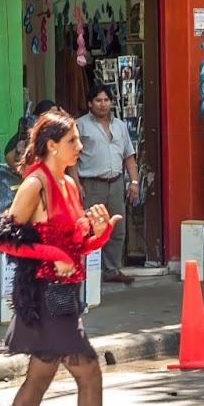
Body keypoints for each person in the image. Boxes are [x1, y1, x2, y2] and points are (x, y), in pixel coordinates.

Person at [0, 110, 132, 406]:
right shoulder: (35, 184)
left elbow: (76, 247)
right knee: (89, 372)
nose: (80, 147)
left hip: (66, 296)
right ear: (52, 145)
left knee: (38, 381)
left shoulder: (69, 184)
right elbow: (4, 240)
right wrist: (51, 252)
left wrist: (99, 235)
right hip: (44, 298)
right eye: (73, 142)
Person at [74, 84, 140, 284]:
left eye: (106, 100)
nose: (103, 104)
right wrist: (77, 184)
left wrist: (134, 182)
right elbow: (72, 159)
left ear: (111, 102)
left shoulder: (120, 125)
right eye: (98, 100)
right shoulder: (80, 125)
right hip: (92, 184)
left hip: (116, 183)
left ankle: (111, 271)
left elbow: (129, 156)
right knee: (91, 228)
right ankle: (87, 274)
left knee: (117, 229)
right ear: (89, 104)